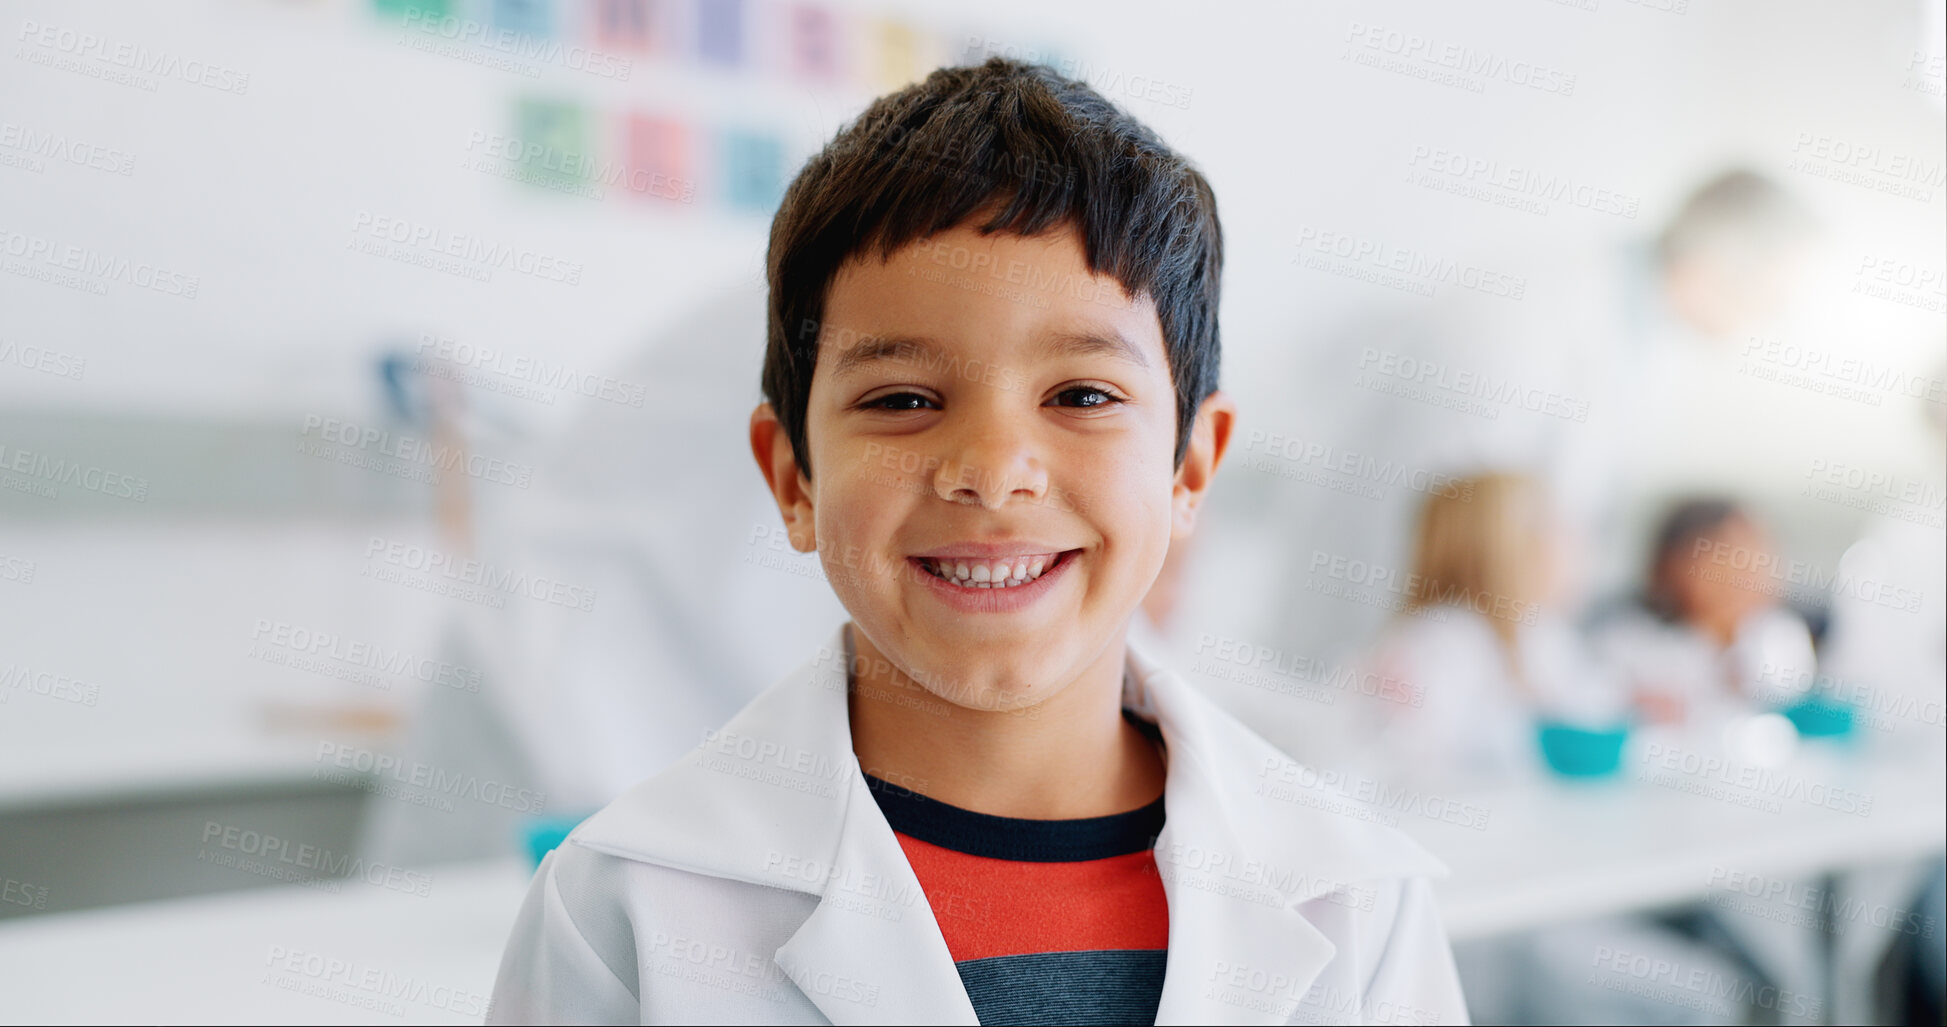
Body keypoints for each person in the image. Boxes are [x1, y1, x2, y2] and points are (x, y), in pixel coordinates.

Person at [488, 58, 1468, 1024]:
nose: (994, 471)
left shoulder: (1358, 901)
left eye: (1082, 395)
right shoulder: (622, 911)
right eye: (904, 399)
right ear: (792, 477)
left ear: (1191, 468)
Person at [1360, 473, 1623, 784]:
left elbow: (1592, 712)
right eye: (1560, 528)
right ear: (1511, 552)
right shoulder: (1443, 640)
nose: (1580, 546)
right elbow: (1396, 759)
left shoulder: (1543, 637)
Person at [1593, 499, 1818, 735]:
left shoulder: (1778, 636)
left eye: (1758, 556)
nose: (1745, 576)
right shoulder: (1629, 640)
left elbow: (1785, 701)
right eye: (1726, 558)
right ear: (1670, 568)